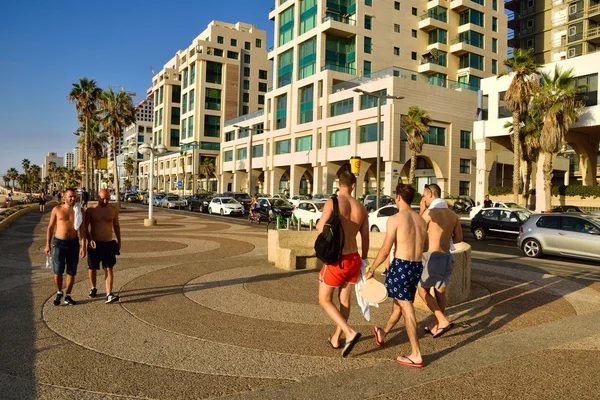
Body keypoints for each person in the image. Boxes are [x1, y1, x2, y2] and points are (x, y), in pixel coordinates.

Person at [365, 183, 427, 368]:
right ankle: (383, 332)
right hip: (416, 265)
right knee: (398, 305)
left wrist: (371, 269)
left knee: (406, 307)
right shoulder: (421, 220)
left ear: (398, 197)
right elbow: (423, 247)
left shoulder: (395, 219)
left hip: (402, 264)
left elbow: (385, 249)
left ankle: (416, 354)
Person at [316, 171, 369, 357]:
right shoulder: (362, 208)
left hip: (337, 260)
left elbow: (321, 227)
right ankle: (336, 339)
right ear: (353, 185)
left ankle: (349, 332)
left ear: (339, 183)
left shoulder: (333, 202)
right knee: (344, 301)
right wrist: (364, 259)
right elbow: (366, 237)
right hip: (354, 259)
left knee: (324, 300)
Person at [418, 184, 463, 338]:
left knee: (422, 290)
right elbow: (459, 238)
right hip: (446, 256)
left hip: (433, 257)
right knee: (440, 292)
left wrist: (422, 210)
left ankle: (442, 320)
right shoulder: (452, 214)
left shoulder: (429, 213)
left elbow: (418, 233)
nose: (423, 199)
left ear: (430, 194)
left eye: (424, 195)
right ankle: (436, 325)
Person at [44, 189, 86, 306]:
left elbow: (82, 229)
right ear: (64, 197)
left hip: (73, 243)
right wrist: (48, 244)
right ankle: (59, 291)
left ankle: (68, 295)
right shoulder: (57, 210)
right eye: (70, 196)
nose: (73, 199)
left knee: (71, 271)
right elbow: (50, 227)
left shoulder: (79, 210)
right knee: (58, 271)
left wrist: (83, 246)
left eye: (74, 197)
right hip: (59, 243)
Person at [84, 188, 121, 304]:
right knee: (92, 268)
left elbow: (116, 226)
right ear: (98, 197)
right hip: (95, 243)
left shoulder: (113, 210)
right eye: (103, 198)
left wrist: (119, 240)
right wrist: (89, 239)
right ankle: (93, 287)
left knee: (109, 268)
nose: (105, 201)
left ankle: (109, 294)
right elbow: (85, 227)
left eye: (108, 199)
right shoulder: (91, 210)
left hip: (108, 243)